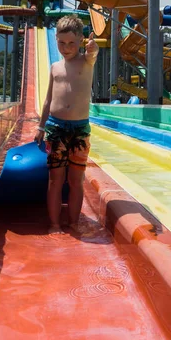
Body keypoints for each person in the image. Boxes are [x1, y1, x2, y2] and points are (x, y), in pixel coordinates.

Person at [34, 15, 99, 234]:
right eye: (61, 43)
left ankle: (73, 223)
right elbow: (47, 99)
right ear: (55, 40)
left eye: (71, 43)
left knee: (76, 180)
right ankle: (54, 224)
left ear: (80, 40)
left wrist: (92, 47)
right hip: (55, 127)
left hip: (80, 129)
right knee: (55, 180)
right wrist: (41, 127)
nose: (66, 47)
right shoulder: (54, 67)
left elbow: (93, 53)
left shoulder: (86, 61)